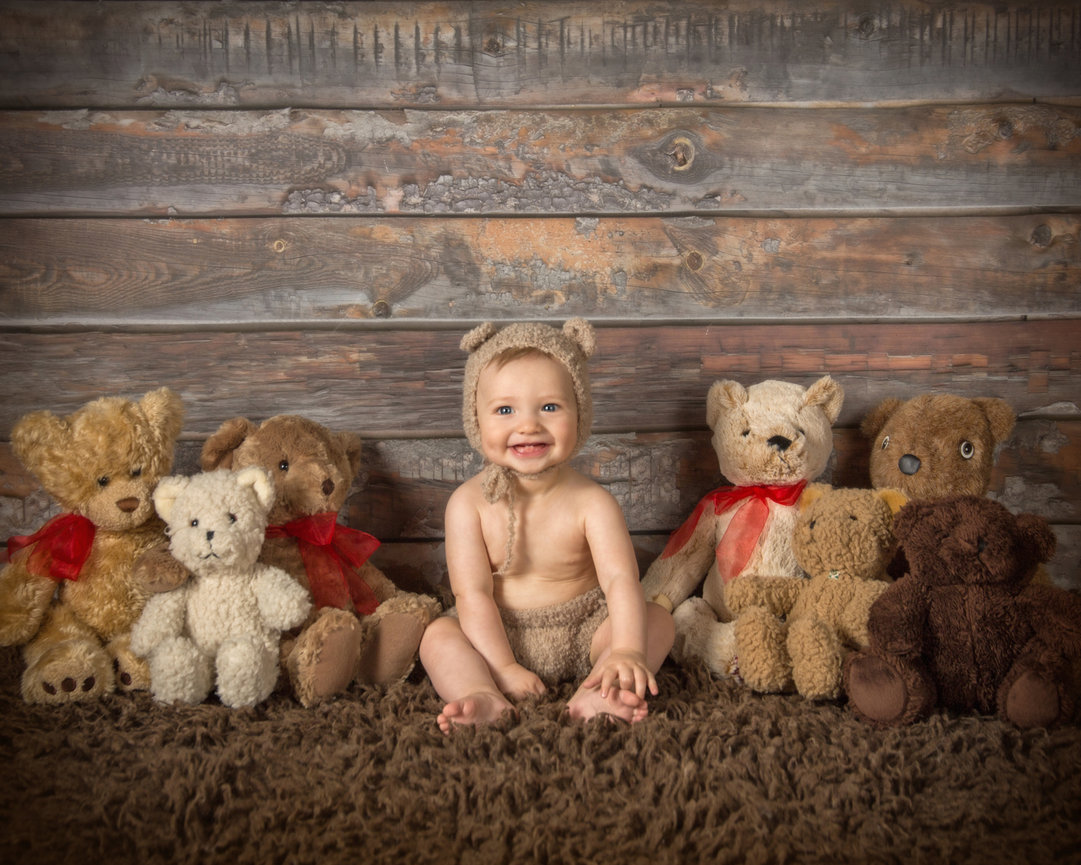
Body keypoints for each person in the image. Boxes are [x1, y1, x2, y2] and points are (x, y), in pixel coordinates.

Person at [419, 319, 674, 732]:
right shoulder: (468, 504)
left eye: (550, 407)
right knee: (438, 636)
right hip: (498, 632)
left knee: (657, 619)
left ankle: (598, 691)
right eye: (505, 410)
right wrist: (502, 666)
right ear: (476, 420)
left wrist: (626, 648)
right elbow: (473, 593)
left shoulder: (593, 502)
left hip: (584, 628)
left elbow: (620, 582)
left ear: (580, 413)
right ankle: (483, 694)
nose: (528, 425)